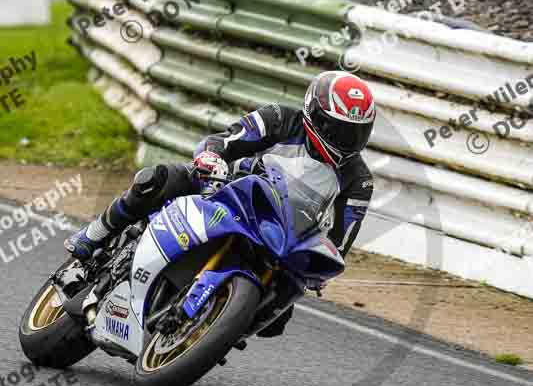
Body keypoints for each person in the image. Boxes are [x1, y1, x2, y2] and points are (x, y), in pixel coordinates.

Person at [65, 71, 375, 336]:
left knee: (279, 315)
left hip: (281, 231)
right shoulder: (280, 119)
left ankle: (211, 330)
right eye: (338, 128)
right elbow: (224, 140)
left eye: (356, 132)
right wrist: (212, 157)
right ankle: (94, 234)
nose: (346, 139)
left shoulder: (359, 180)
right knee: (160, 179)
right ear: (313, 113)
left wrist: (318, 268)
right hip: (228, 190)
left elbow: (339, 242)